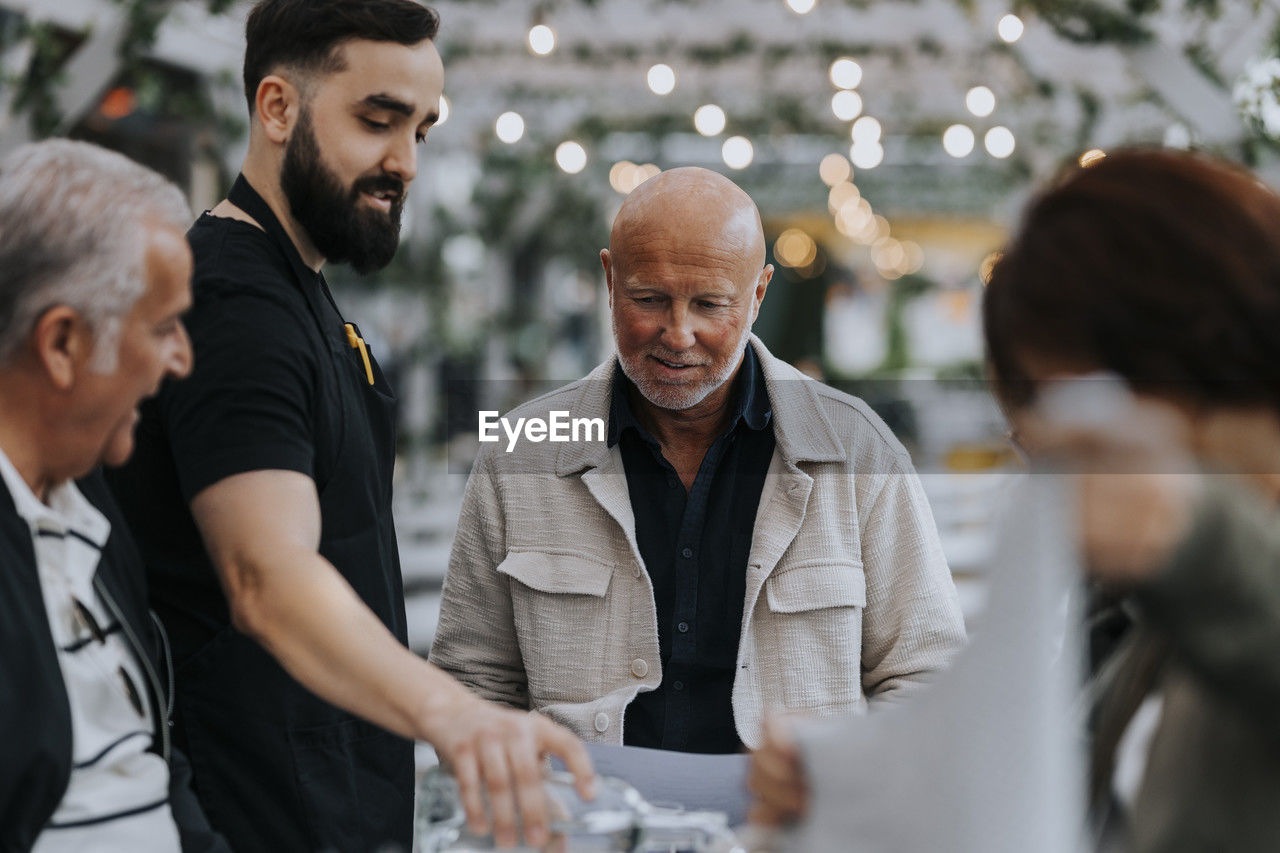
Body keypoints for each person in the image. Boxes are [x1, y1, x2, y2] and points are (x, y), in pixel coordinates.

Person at [105, 2, 592, 851]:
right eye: (377, 121)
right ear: (277, 107)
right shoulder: (235, 305)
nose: (402, 162)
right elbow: (266, 573)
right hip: (247, 808)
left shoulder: (301, 293)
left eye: (422, 132)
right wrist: (459, 718)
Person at [750, 149, 1280, 851]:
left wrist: (1197, 535)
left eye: (1077, 414)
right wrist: (863, 775)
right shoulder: (1154, 615)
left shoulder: (1211, 561)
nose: (1054, 457)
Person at [429, 166, 966, 754]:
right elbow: (473, 681)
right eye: (649, 299)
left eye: (710, 304)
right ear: (610, 280)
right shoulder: (523, 452)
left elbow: (926, 674)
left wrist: (841, 792)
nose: (678, 334)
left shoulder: (857, 450)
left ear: (759, 295)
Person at [0, 139, 225, 851]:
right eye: (162, 327)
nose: (182, 358)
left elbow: (147, 759)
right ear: (63, 343)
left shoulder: (89, 513)